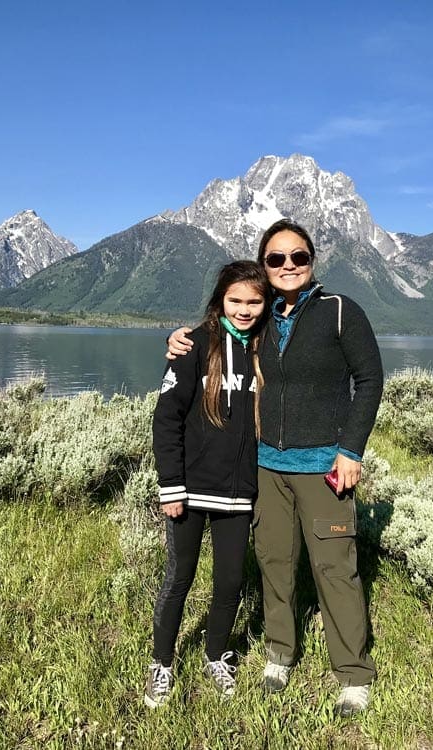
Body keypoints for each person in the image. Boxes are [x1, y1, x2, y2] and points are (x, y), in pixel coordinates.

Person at [167, 219, 383, 717]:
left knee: (335, 567)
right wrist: (179, 340)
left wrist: (351, 451)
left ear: (312, 261)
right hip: (264, 465)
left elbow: (369, 379)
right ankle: (279, 654)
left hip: (323, 466)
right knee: (274, 562)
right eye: (276, 259)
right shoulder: (261, 316)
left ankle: (352, 673)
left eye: (298, 257)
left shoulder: (339, 312)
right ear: (264, 266)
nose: (288, 266)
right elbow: (219, 330)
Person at [145, 260, 271, 709]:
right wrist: (171, 485)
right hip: (191, 492)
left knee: (230, 584)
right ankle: (162, 662)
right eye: (235, 301)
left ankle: (217, 655)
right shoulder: (194, 346)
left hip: (239, 493)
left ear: (265, 303)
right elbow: (167, 419)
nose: (244, 309)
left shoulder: (266, 347)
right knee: (178, 578)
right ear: (219, 301)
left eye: (254, 301)